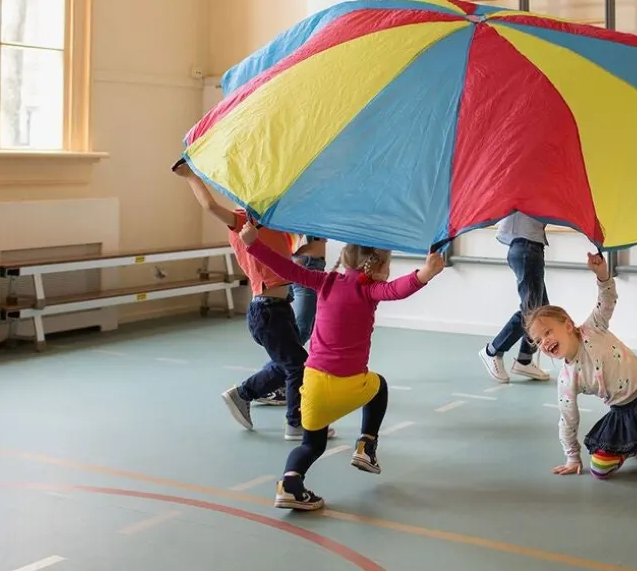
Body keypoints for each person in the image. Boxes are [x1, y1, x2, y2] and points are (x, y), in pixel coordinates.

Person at [240, 224, 447, 512]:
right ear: (380, 266)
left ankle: (289, 484)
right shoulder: (370, 290)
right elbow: (399, 289)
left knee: (310, 446)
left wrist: (253, 244)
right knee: (379, 386)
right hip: (349, 384)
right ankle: (366, 445)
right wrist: (427, 272)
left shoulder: (324, 281)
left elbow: (287, 269)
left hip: (313, 384)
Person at [524, 252, 637, 488]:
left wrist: (602, 275)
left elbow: (606, 300)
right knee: (599, 469)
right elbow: (568, 419)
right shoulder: (567, 379)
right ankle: (631, 447)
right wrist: (572, 456)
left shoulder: (593, 328)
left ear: (568, 325)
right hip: (622, 411)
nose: (544, 342)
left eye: (547, 332)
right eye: (538, 341)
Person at [171, 159, 310, 441]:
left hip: (279, 307)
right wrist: (190, 176)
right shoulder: (245, 223)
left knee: (288, 362)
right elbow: (210, 206)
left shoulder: (275, 225)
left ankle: (243, 394)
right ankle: (295, 424)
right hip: (268, 312)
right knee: (296, 363)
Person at [253, 235, 326, 406]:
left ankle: (269, 382)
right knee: (300, 332)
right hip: (306, 264)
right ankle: (264, 384)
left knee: (298, 330)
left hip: (308, 264)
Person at [478, 212, 551, 384]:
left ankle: (524, 360)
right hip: (526, 247)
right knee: (531, 312)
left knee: (542, 310)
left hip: (531, 247)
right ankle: (492, 351)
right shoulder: (524, 195)